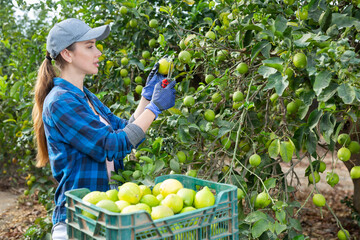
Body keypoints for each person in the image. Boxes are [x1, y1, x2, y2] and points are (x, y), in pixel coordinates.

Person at [31, 18, 176, 239]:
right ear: (67, 54)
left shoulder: (87, 98)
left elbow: (125, 130)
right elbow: (112, 145)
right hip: (78, 221)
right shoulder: (60, 102)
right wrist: (155, 108)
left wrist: (147, 97)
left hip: (106, 214)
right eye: (89, 46)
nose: (98, 52)